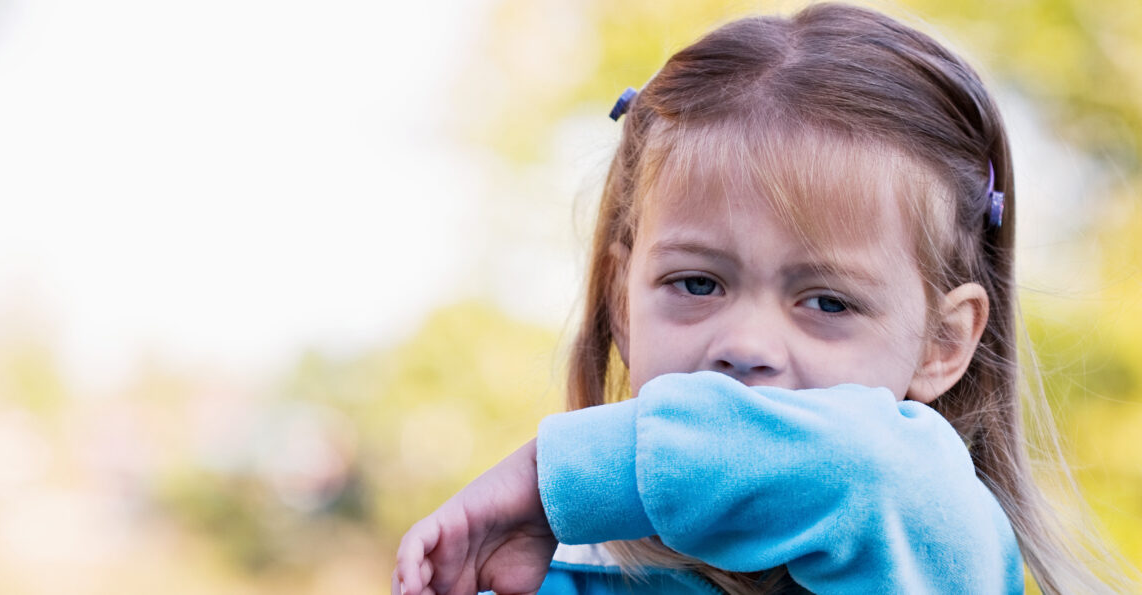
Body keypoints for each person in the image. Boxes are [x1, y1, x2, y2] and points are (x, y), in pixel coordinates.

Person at [394, 3, 1127, 593]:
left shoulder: (926, 537)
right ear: (622, 301)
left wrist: (549, 477)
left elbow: (868, 467)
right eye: (697, 283)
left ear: (943, 343)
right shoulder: (549, 571)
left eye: (828, 302)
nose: (744, 343)